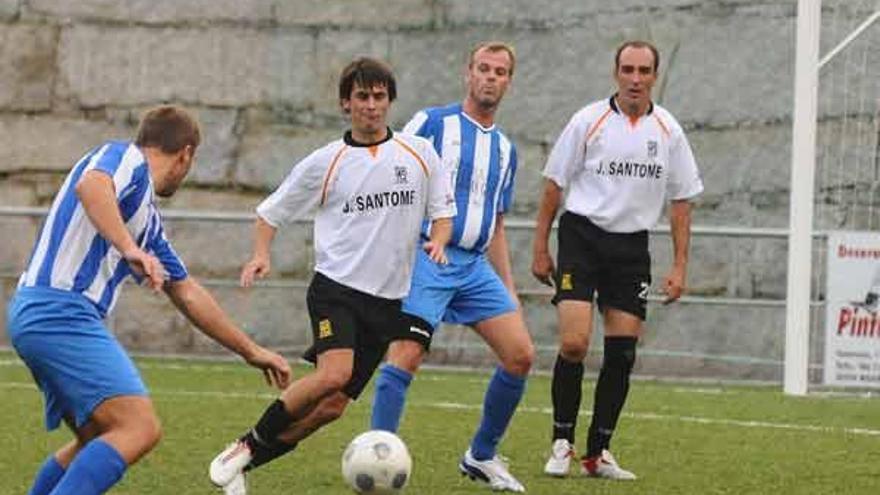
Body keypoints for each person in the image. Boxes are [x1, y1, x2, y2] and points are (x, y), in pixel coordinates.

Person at [6, 105, 292, 495]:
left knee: (96, 440)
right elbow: (91, 186)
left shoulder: (147, 221)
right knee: (139, 427)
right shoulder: (126, 158)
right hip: (60, 312)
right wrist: (128, 248)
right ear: (186, 154)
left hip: (38, 313)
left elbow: (187, 292)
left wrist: (251, 350)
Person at [208, 57, 456, 494]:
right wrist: (260, 254)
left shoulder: (420, 154)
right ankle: (244, 444)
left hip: (388, 301)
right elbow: (270, 212)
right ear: (346, 103)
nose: (372, 106)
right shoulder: (326, 161)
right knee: (333, 375)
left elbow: (443, 212)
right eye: (362, 96)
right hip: (336, 288)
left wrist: (437, 240)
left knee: (331, 408)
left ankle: (245, 465)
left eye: (380, 96)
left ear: (390, 101)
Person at [364, 41, 534, 493]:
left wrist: (509, 286)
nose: (490, 77)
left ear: (509, 81)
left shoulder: (505, 150)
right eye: (483, 68)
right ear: (468, 72)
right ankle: (379, 457)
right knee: (406, 355)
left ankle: (480, 456)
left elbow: (495, 223)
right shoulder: (432, 123)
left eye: (500, 71)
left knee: (521, 356)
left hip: (476, 267)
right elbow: (390, 171)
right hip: (428, 257)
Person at [531, 40, 703, 480]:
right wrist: (540, 247)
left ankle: (598, 452)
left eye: (644, 70)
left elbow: (681, 200)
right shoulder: (588, 121)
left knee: (622, 354)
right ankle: (562, 441)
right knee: (573, 343)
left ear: (655, 76)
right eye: (628, 69)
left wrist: (680, 265)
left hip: (631, 248)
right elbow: (554, 184)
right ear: (615, 73)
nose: (635, 78)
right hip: (582, 238)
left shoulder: (668, 130)